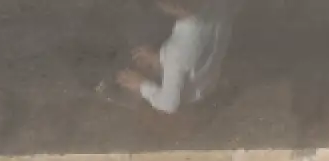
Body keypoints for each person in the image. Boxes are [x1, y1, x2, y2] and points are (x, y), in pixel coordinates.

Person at [103, 0, 241, 115]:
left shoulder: (175, 53)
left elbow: (168, 105)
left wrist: (141, 84)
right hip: (207, 73)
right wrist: (161, 57)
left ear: (171, 7)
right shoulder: (220, 4)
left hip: (190, 94)